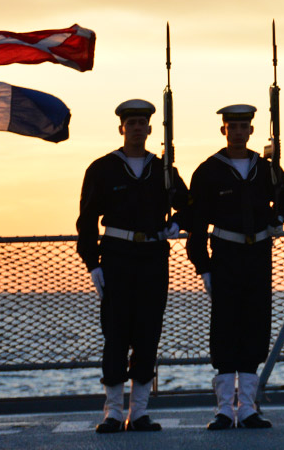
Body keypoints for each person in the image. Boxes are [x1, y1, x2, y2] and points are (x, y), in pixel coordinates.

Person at [76, 99, 187, 434]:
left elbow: (189, 205)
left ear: (151, 128)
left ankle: (138, 412)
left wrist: (177, 223)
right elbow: (86, 220)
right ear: (122, 128)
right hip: (117, 256)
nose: (138, 127)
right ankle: (112, 412)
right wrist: (92, 262)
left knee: (147, 333)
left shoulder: (163, 169)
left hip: (153, 257)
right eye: (132, 122)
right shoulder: (103, 168)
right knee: (115, 333)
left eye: (143, 122)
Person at [186, 105, 284, 430]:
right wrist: (204, 266)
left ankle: (247, 408)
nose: (239, 132)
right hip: (226, 255)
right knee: (225, 329)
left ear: (251, 131)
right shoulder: (209, 171)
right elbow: (197, 222)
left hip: (258, 254)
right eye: (233, 126)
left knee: (255, 327)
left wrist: (278, 218)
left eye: (244, 126)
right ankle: (224, 410)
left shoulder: (267, 169)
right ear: (224, 131)